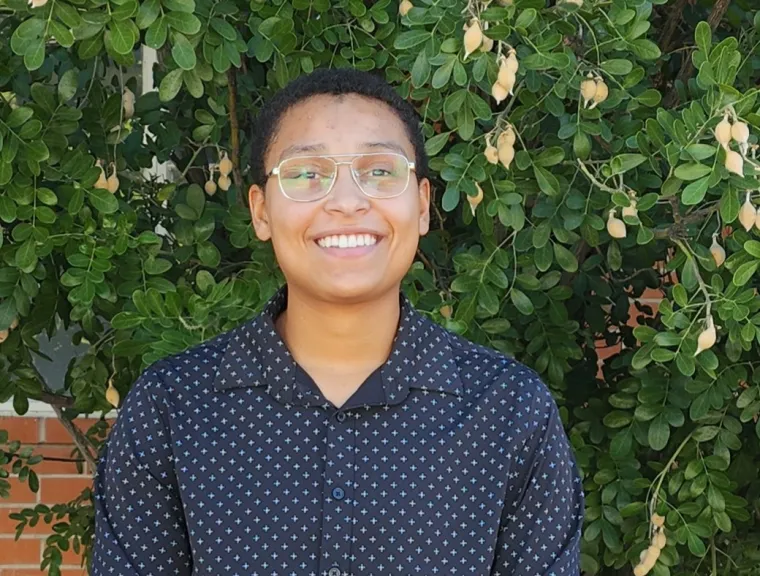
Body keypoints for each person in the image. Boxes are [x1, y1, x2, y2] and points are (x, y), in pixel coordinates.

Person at [91, 67, 584, 576]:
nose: (347, 202)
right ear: (260, 211)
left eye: (379, 171)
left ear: (421, 205)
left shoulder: (509, 413)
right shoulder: (174, 408)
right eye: (307, 174)